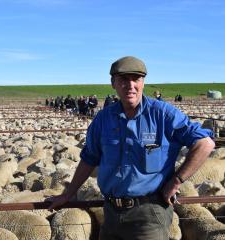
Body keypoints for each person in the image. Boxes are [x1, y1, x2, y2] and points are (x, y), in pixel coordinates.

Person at [46, 56, 215, 240]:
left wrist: (176, 181)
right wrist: (68, 194)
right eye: (123, 80)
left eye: (136, 79)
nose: (131, 85)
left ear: (143, 82)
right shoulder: (103, 119)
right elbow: (89, 158)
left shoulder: (162, 114)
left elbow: (205, 143)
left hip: (149, 214)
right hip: (110, 214)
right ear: (113, 83)